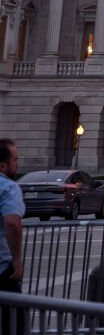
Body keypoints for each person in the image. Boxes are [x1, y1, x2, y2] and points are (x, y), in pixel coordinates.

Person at [1, 138, 24, 328]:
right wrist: (16, 259)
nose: (17, 164)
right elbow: (12, 223)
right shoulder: (9, 188)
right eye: (15, 160)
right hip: (2, 269)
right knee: (13, 323)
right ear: (2, 165)